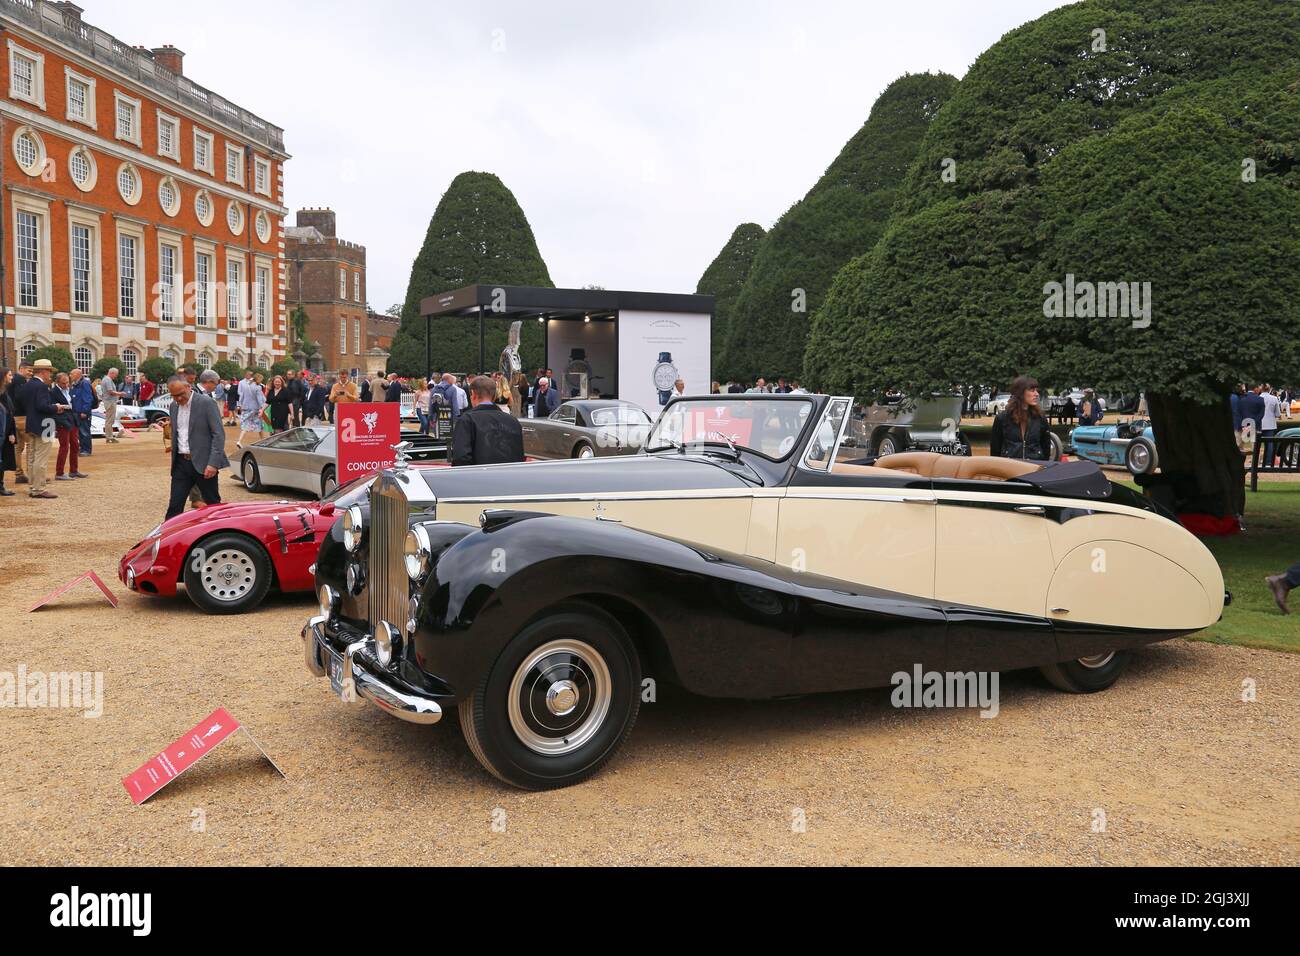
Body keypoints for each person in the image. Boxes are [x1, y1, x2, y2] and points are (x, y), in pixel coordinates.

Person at [164, 375, 227, 520]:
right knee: (174, 506)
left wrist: (213, 463)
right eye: (174, 396)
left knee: (213, 505)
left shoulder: (207, 403)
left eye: (181, 394)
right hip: (181, 463)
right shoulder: (173, 406)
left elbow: (218, 434)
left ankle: (218, 537)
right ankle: (168, 540)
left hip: (204, 463)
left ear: (188, 387)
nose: (178, 399)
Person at [451, 376, 525, 466]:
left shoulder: (466, 420)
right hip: (509, 476)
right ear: (494, 396)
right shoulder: (513, 421)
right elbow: (519, 455)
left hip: (479, 476)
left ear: (473, 394)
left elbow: (461, 457)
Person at [22, 359, 69, 498]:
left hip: (31, 423)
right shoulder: (42, 387)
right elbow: (42, 406)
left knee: (32, 457)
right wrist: (56, 407)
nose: (50, 375)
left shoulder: (28, 385)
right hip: (45, 423)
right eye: (49, 371)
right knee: (41, 458)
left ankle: (33, 486)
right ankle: (39, 489)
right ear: (43, 371)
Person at [989, 375, 1053, 461]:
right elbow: (995, 450)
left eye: (1036, 390)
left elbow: (1046, 448)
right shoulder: (1002, 418)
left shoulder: (1040, 418)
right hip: (1010, 468)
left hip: (1035, 468)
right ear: (1020, 393)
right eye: (1032, 390)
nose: (1037, 394)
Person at [52, 371, 86, 481]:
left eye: (67, 383)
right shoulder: (53, 392)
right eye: (63, 383)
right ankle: (59, 472)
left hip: (72, 420)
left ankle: (73, 471)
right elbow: (53, 409)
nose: (66, 385)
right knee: (64, 447)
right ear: (57, 382)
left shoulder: (69, 390)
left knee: (75, 445)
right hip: (63, 422)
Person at [235, 371, 266, 449]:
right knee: (259, 424)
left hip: (246, 407)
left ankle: (239, 441)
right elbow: (259, 400)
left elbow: (241, 396)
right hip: (255, 408)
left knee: (246, 425)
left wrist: (240, 405)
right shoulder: (258, 387)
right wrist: (262, 408)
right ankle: (263, 441)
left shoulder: (246, 386)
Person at [69, 368, 95, 457]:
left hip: (82, 412)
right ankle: (82, 448)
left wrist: (85, 411)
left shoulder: (84, 383)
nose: (70, 375)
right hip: (76, 411)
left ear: (78, 374)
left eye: (72, 374)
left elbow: (88, 398)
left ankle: (86, 450)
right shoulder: (75, 384)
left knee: (84, 431)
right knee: (79, 432)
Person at [0, 368, 16, 496]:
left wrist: (11, 432)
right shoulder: (2, 393)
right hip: (2, 432)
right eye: (10, 375)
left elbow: (9, 413)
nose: (12, 377)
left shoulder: (5, 391)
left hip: (5, 431)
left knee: (2, 459)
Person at [98, 367, 124, 442]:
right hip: (110, 402)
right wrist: (120, 393)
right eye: (116, 374)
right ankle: (109, 437)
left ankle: (109, 436)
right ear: (112, 373)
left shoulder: (106, 379)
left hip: (108, 401)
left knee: (109, 420)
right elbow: (110, 391)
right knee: (110, 420)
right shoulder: (108, 380)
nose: (116, 376)